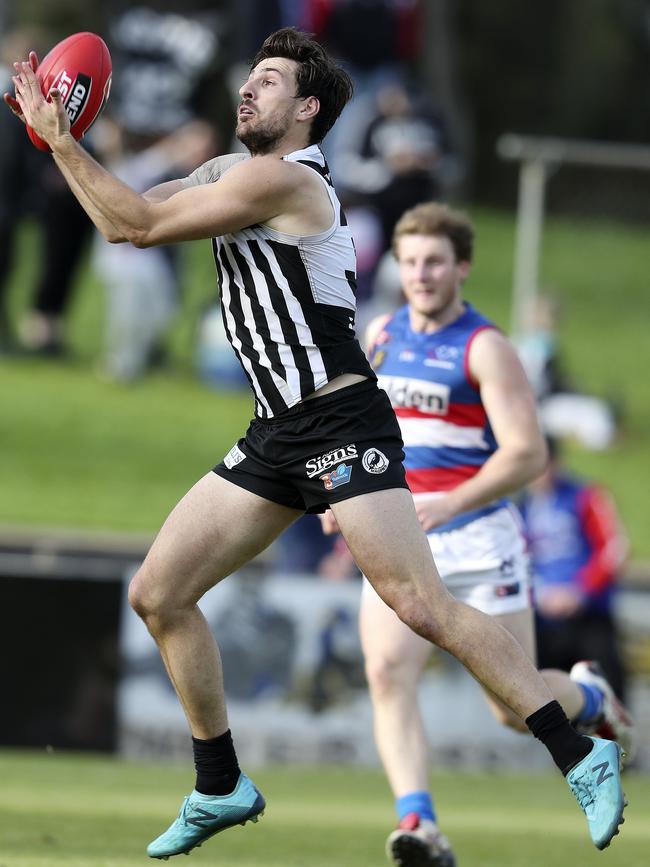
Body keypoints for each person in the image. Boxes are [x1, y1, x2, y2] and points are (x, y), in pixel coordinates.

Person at [6, 27, 627, 861]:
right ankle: (221, 780)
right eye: (249, 79)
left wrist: (60, 140)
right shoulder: (233, 171)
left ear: (307, 111)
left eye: (268, 81)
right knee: (158, 593)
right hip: (275, 433)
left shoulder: (287, 180)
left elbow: (138, 225)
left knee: (420, 605)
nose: (248, 91)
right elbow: (128, 205)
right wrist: (57, 131)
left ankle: (576, 750)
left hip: (340, 421)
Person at [320, 202, 635, 866]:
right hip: (401, 534)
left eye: (434, 261)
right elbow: (363, 428)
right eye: (409, 262)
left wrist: (450, 501)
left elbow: (525, 452)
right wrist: (344, 492)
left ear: (461, 266)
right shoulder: (380, 334)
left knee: (513, 709)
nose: (421, 274)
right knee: (385, 670)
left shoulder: (484, 346)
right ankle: (419, 823)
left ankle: (591, 696)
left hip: (479, 537)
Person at [520, 436, 629, 702]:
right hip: (544, 619)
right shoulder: (520, 508)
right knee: (553, 701)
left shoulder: (585, 496)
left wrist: (579, 590)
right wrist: (541, 593)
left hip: (588, 615)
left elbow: (614, 550)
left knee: (607, 695)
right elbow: (517, 559)